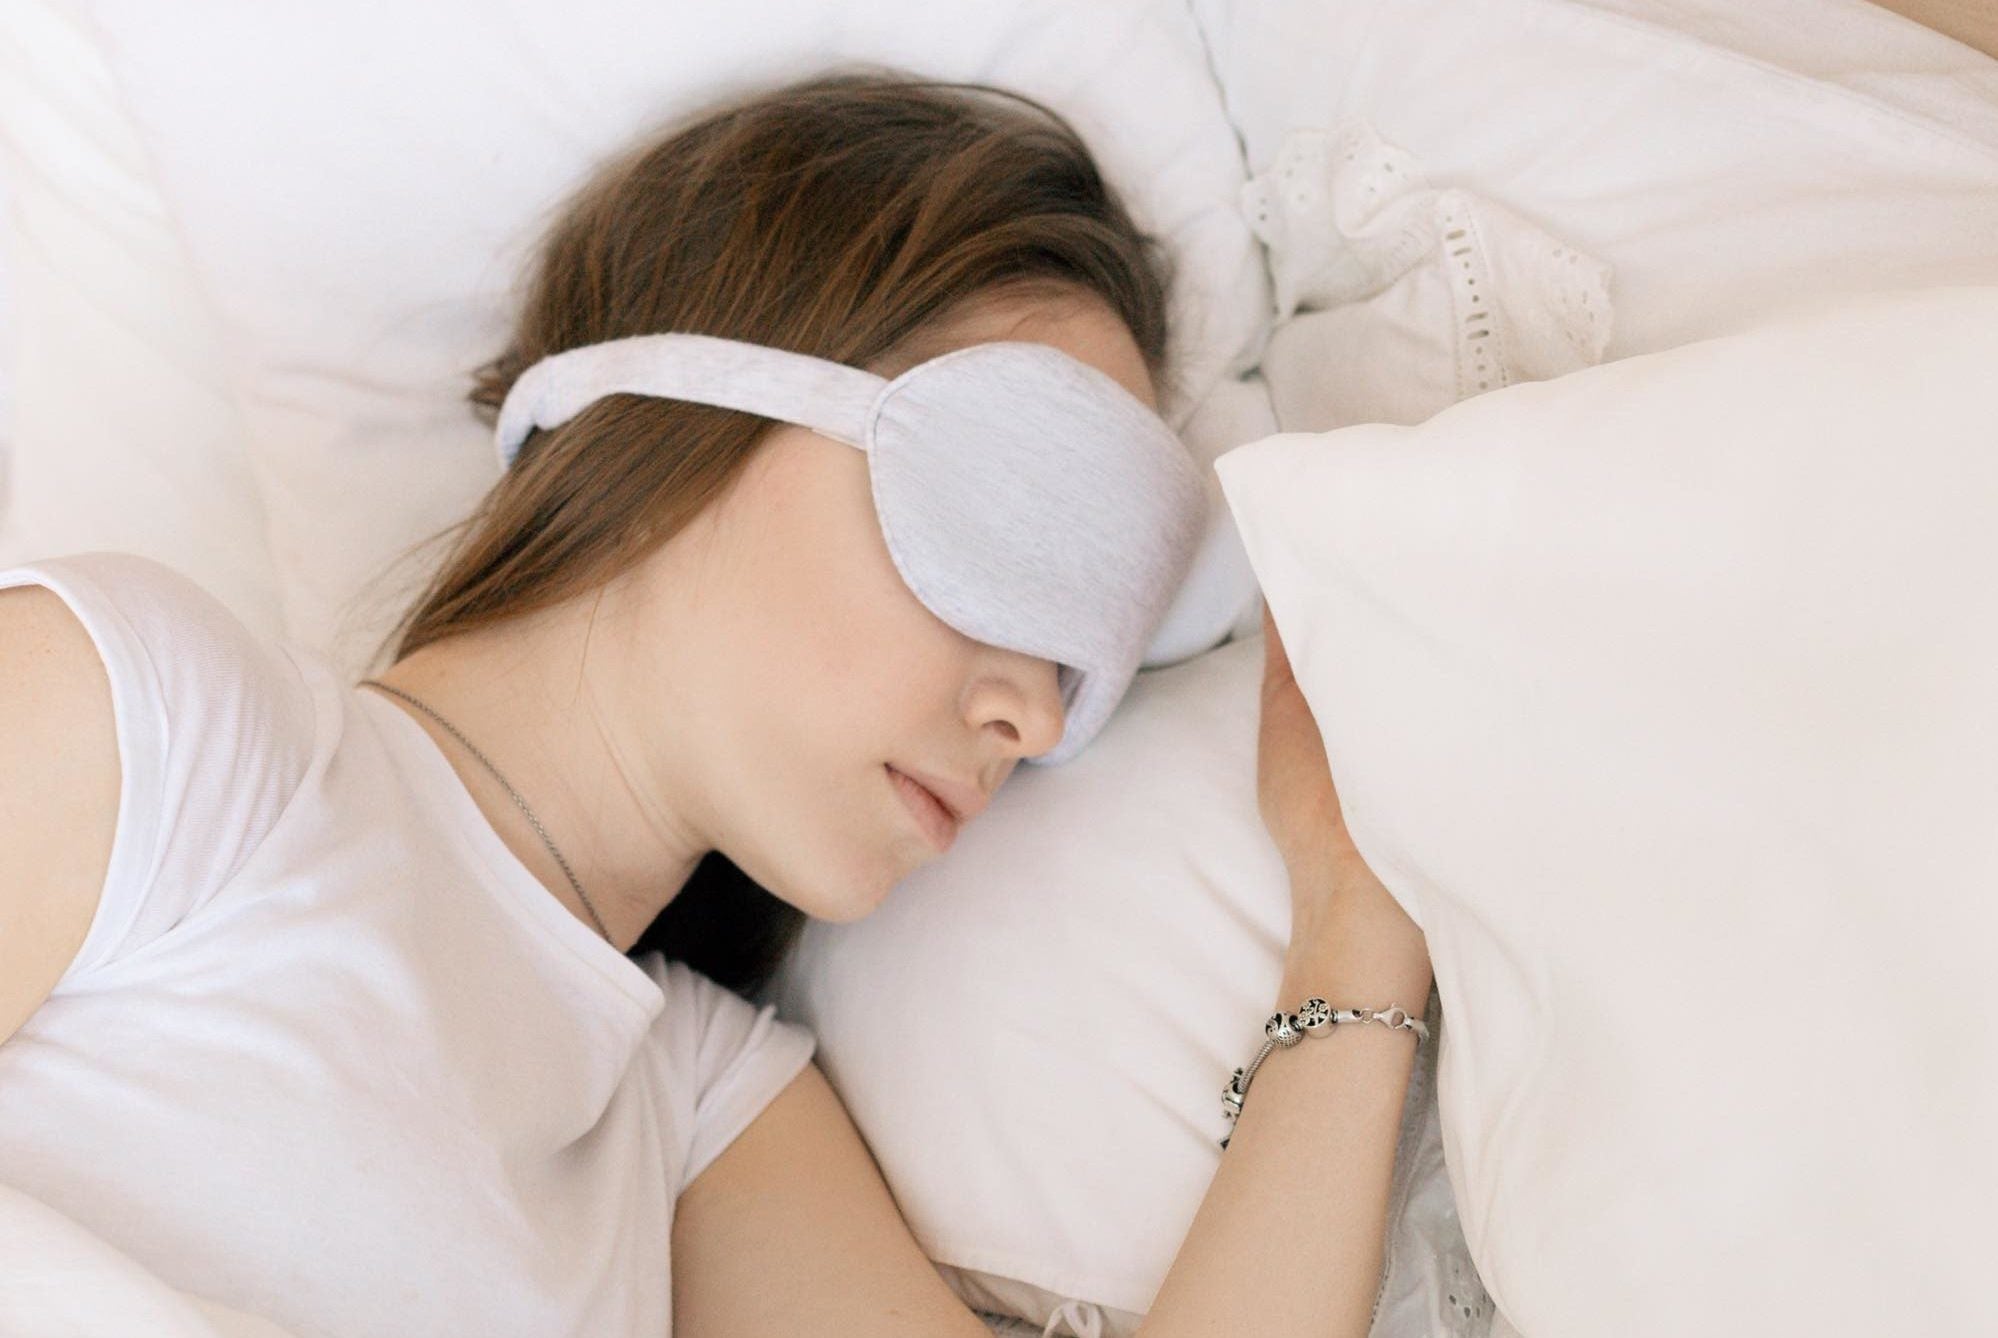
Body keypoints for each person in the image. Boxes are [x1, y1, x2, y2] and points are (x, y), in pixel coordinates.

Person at [0, 72, 1432, 1336]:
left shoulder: (692, 1113)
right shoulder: (163, 729)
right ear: (701, 381)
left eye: (1089, 655)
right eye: (1016, 526)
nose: (1039, 719)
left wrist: (1355, 926)